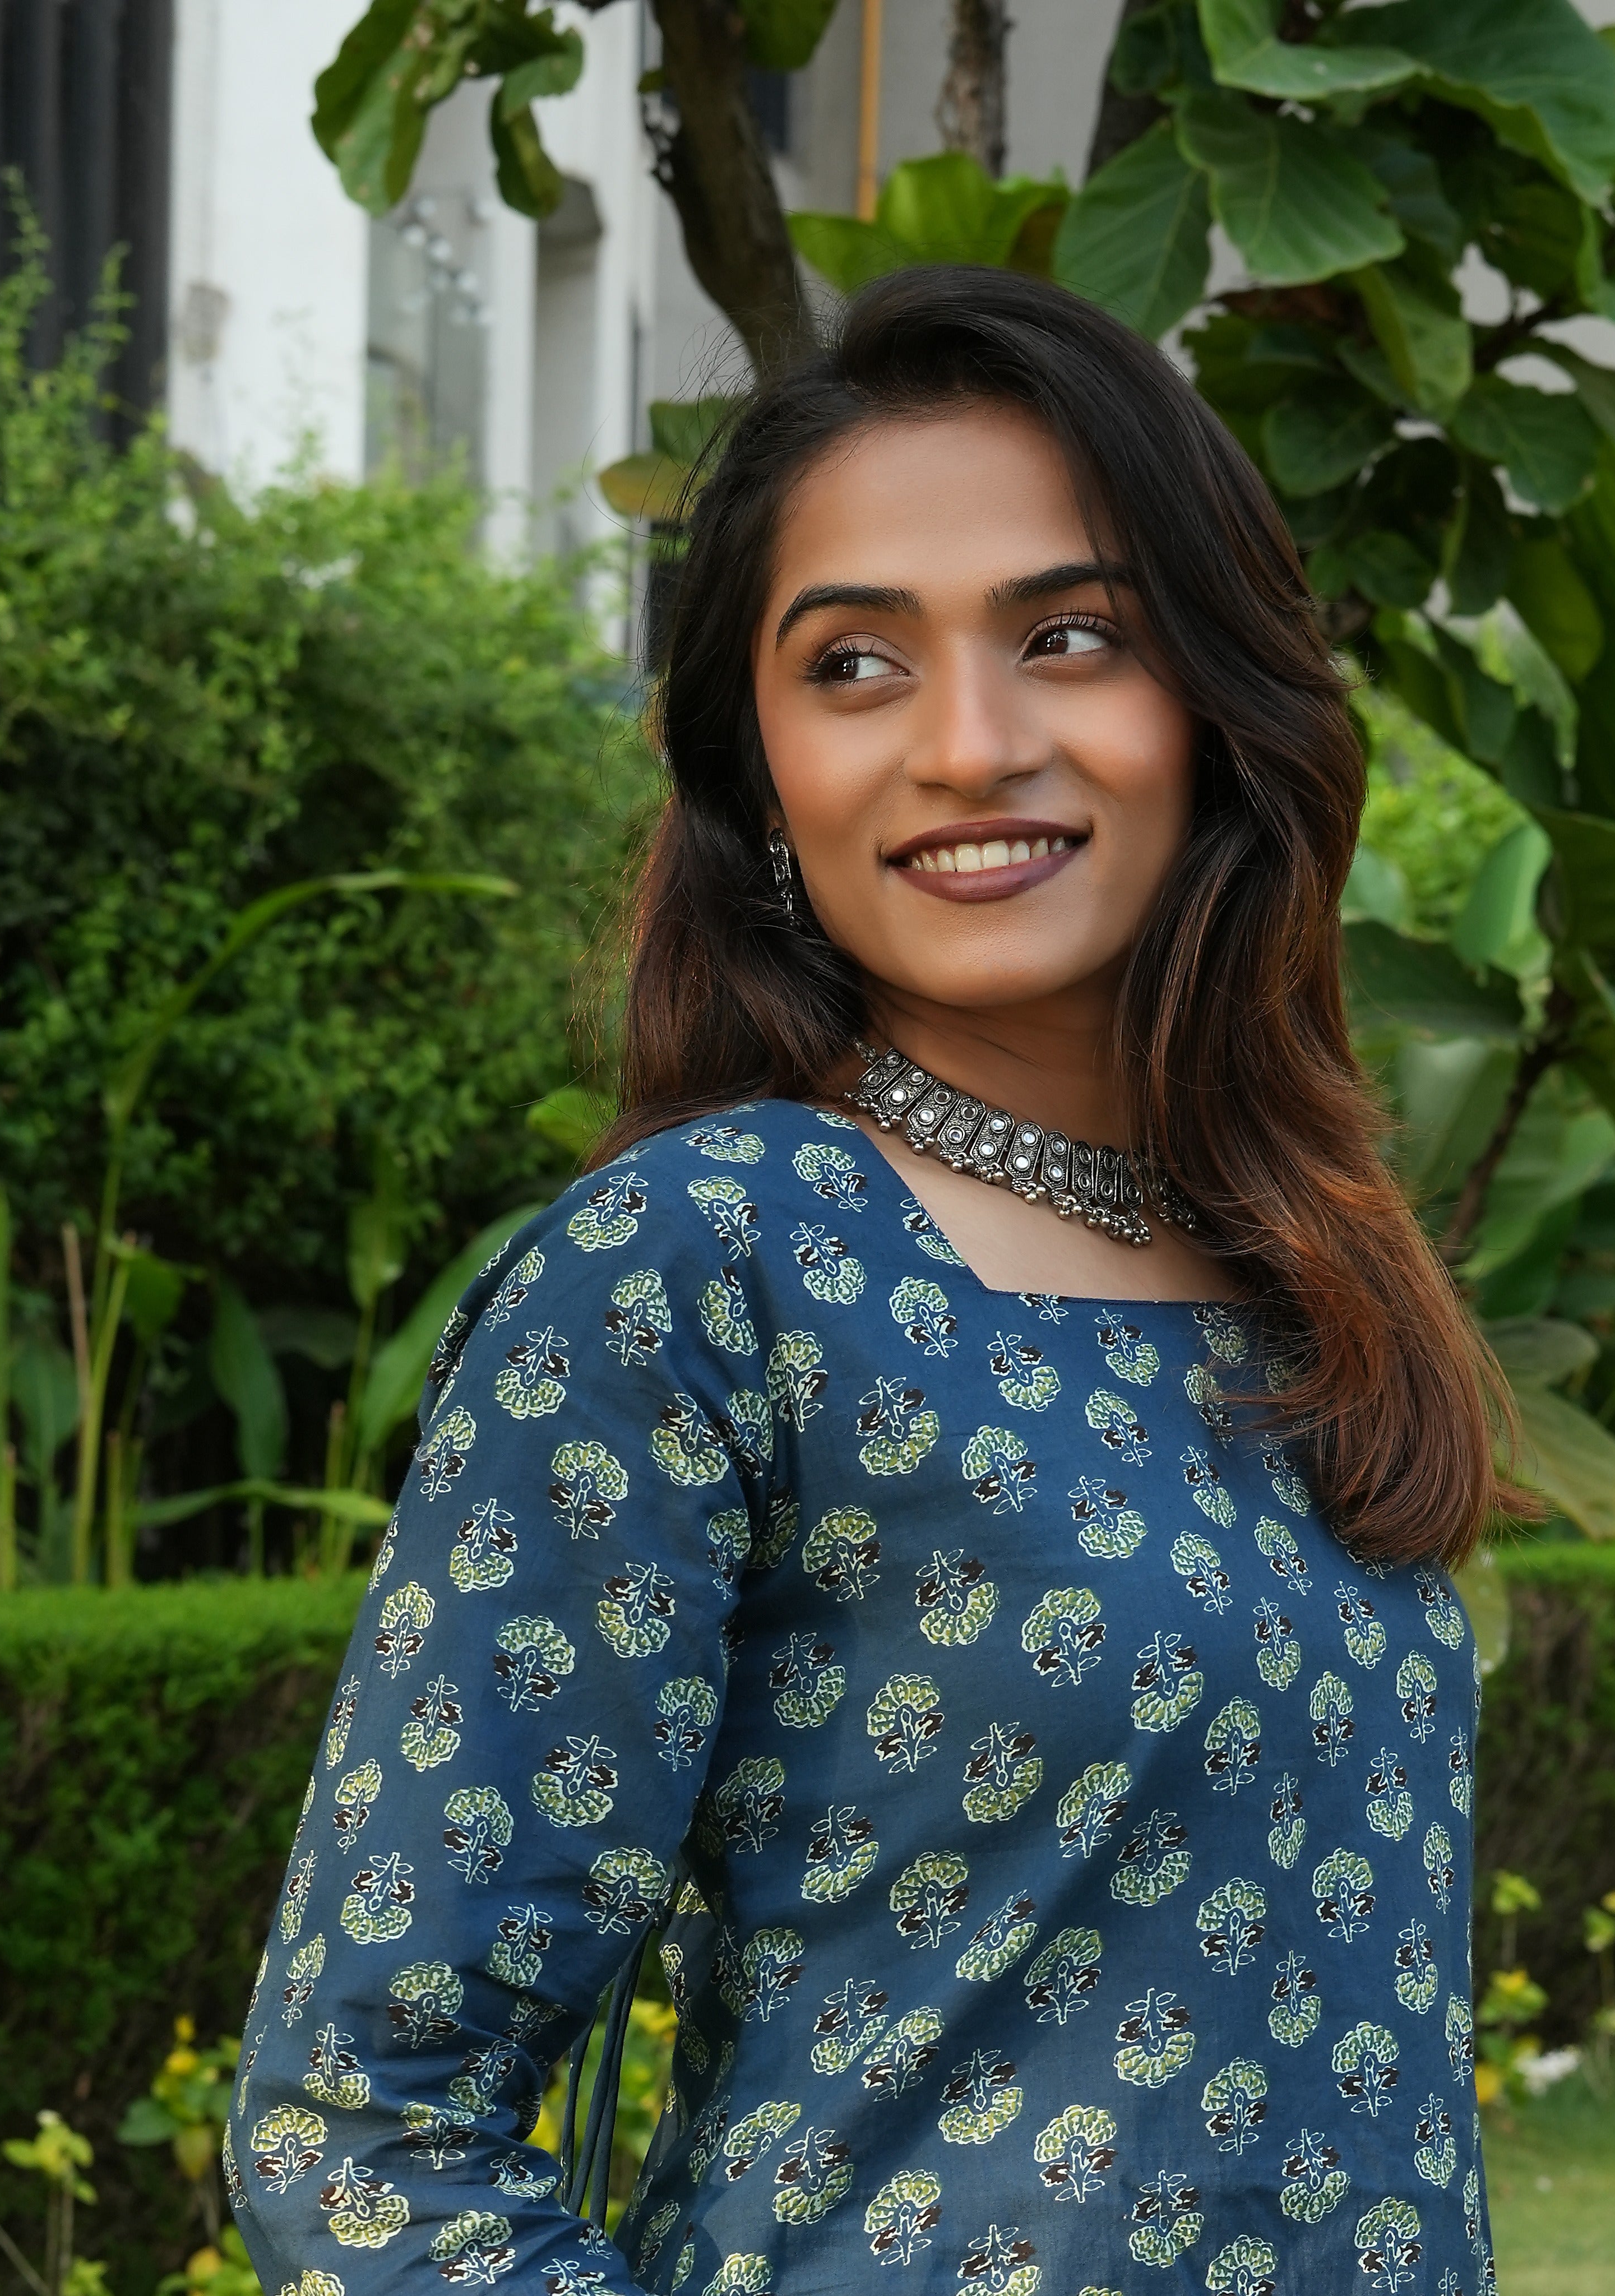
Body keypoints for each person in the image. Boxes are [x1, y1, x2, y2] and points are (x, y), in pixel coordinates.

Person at [229, 266, 1514, 2296]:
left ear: (1215, 701)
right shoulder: (705, 1267)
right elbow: (365, 2129)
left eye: (1069, 636)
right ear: (756, 781)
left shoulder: (1300, 1274)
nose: (971, 746)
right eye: (853, 666)